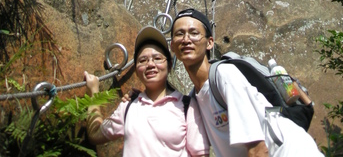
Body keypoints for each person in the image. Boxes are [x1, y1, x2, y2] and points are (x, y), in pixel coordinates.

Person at [170, 8, 323, 157]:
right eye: (179, 34)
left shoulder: (224, 75)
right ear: (172, 46)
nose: (186, 39)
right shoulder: (195, 99)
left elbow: (258, 149)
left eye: (194, 33)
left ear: (210, 43)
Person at [84, 25, 210, 157]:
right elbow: (95, 134)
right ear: (137, 70)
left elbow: (200, 154)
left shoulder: (187, 106)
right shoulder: (128, 106)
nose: (150, 64)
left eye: (157, 58)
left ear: (169, 64)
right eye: (143, 60)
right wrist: (93, 91)